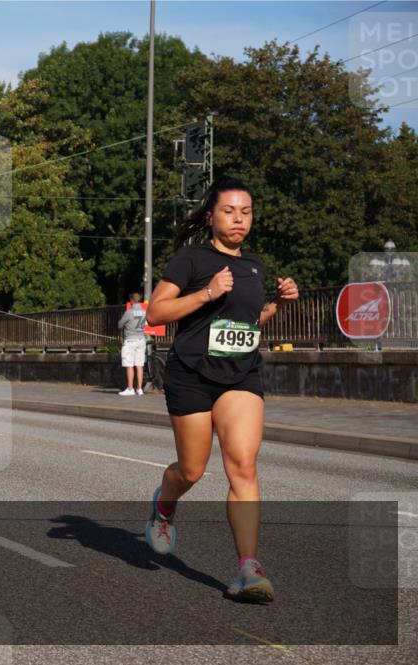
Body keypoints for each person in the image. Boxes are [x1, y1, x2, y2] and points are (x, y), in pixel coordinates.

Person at [144, 177, 299, 604]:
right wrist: (207, 293)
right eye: (230, 211)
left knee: (243, 467)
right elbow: (155, 312)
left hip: (241, 376)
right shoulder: (190, 259)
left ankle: (248, 568)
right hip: (191, 375)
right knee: (191, 471)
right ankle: (164, 504)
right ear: (211, 215)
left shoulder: (255, 266)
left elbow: (247, 326)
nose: (238, 219)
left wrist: (278, 306)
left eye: (246, 212)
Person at [117, 292, 148, 396]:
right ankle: (139, 389)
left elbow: (120, 325)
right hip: (141, 339)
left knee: (129, 364)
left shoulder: (129, 312)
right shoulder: (144, 312)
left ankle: (130, 388)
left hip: (130, 340)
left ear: (131, 300)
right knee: (139, 365)